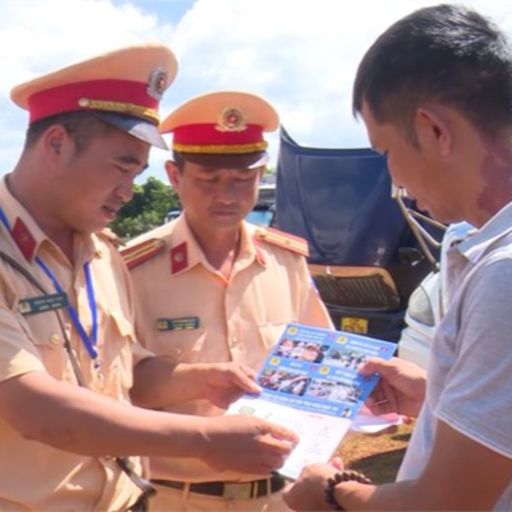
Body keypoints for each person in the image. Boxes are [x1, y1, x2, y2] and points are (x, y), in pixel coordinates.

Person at [0, 45, 298, 511]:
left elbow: (128, 373)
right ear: (56, 143)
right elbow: (33, 408)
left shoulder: (102, 254)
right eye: (121, 166)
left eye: (138, 172)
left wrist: (201, 380)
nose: (128, 191)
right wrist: (204, 437)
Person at [283, 4, 512, 511]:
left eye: (384, 151)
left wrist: (328, 492)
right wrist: (437, 397)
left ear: (433, 130)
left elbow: (445, 504)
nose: (394, 180)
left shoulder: (503, 272)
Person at [124, 90, 334, 511]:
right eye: (209, 179)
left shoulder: (285, 261)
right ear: (173, 175)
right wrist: (196, 378)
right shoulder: (131, 269)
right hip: (176, 498)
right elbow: (121, 384)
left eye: (243, 179)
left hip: (280, 496)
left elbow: (321, 367)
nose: (227, 196)